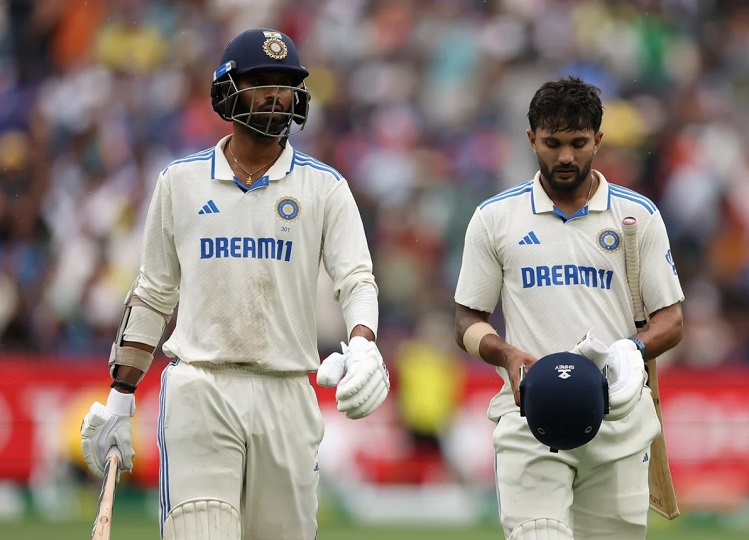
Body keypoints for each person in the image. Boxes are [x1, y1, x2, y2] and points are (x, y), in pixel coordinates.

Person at [80, 28, 389, 540]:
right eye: (261, 81)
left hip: (288, 390)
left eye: (285, 83)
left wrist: (362, 346)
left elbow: (356, 278)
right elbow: (154, 295)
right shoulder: (180, 181)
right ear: (227, 90)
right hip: (200, 385)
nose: (275, 94)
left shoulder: (325, 186)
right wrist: (120, 397)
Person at [453, 76, 684, 539]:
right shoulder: (496, 217)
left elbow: (672, 319)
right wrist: (507, 354)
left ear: (598, 139)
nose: (564, 157)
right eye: (552, 143)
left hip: (617, 421)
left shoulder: (637, 216)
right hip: (529, 418)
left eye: (578, 143)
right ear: (531, 139)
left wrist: (631, 351)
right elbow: (467, 319)